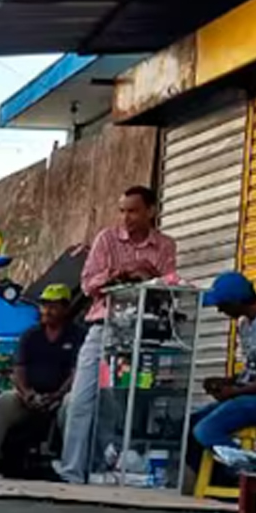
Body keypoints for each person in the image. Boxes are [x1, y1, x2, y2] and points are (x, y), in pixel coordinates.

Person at [55, 185, 179, 484]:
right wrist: (116, 276)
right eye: (122, 211)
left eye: (133, 210)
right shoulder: (107, 239)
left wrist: (149, 275)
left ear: (151, 211)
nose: (126, 217)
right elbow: (87, 284)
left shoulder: (164, 245)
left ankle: (112, 469)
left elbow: (170, 285)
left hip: (143, 332)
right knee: (82, 399)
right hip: (104, 326)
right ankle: (72, 472)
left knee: (125, 402)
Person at [190, 272, 256, 474]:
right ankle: (217, 480)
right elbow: (252, 371)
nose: (219, 310)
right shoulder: (245, 324)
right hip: (250, 396)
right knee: (189, 425)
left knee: (205, 430)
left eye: (223, 304)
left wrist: (237, 392)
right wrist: (226, 382)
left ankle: (250, 474)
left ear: (236, 301)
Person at [0, 284, 84, 476]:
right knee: (4, 402)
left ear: (65, 308)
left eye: (53, 306)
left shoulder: (77, 336)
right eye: (44, 306)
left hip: (61, 397)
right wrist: (27, 394)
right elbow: (19, 368)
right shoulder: (31, 335)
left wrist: (58, 396)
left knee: (73, 405)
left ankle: (68, 463)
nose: (47, 311)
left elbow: (77, 372)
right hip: (31, 396)